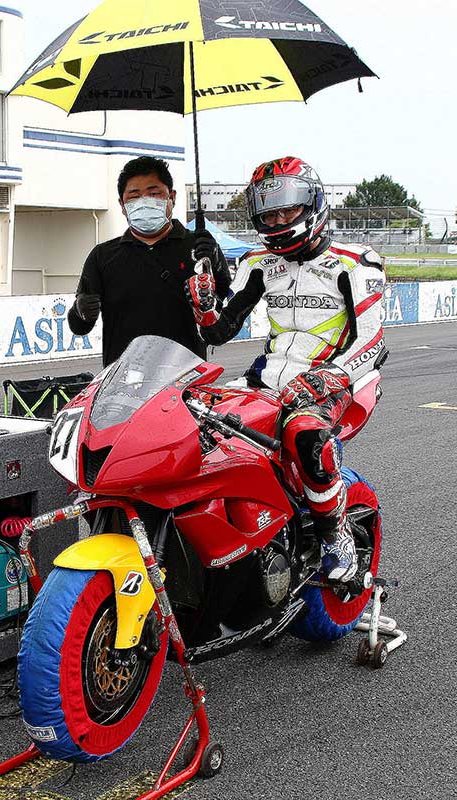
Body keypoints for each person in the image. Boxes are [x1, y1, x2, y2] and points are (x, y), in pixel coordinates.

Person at [186, 157, 388, 585]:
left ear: (312, 204)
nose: (278, 221)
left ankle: (335, 535)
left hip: (335, 379)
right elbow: (220, 330)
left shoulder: (356, 263)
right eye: (269, 213)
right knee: (191, 416)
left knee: (305, 433)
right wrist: (204, 307)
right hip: (267, 378)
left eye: (288, 210)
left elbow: (372, 342)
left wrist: (330, 376)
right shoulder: (257, 263)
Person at [67, 156, 229, 366]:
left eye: (154, 194)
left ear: (172, 197)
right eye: (134, 196)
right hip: (123, 379)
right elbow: (79, 327)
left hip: (187, 376)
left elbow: (223, 313)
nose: (144, 202)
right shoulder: (103, 255)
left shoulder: (199, 249)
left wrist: (216, 266)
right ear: (122, 205)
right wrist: (81, 311)